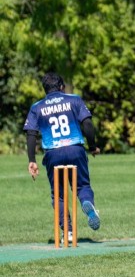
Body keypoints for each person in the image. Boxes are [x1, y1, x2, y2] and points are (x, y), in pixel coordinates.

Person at [23, 72, 102, 241]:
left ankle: (68, 231)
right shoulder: (74, 99)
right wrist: (92, 146)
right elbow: (87, 123)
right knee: (82, 186)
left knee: (58, 195)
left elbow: (31, 134)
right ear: (61, 87)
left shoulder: (37, 107)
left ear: (45, 89)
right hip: (75, 149)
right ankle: (87, 204)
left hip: (53, 153)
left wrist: (32, 161)